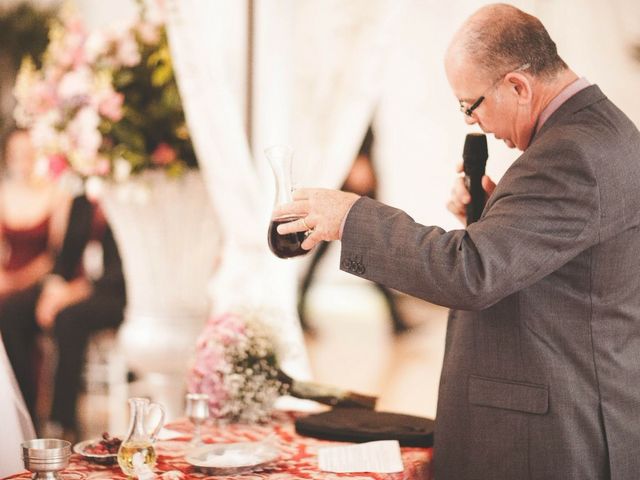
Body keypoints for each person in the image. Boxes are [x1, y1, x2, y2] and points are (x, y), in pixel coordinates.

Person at [274, 4, 640, 479]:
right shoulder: (602, 129)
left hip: (557, 432)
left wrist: (351, 217)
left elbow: (470, 274)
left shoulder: (570, 153)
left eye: (471, 105)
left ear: (517, 86)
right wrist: (496, 218)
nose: (473, 122)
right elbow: (569, 264)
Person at [0, 194, 126, 440]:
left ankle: (62, 422)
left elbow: (117, 272)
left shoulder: (128, 201)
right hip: (75, 287)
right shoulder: (82, 202)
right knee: (11, 312)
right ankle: (27, 410)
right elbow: (65, 255)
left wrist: (73, 292)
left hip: (113, 292)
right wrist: (53, 287)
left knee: (69, 318)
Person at [297, 126, 408, 335]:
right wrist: (358, 159)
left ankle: (396, 318)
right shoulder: (355, 101)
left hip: (353, 177)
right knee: (369, 252)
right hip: (351, 182)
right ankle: (396, 319)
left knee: (369, 252)